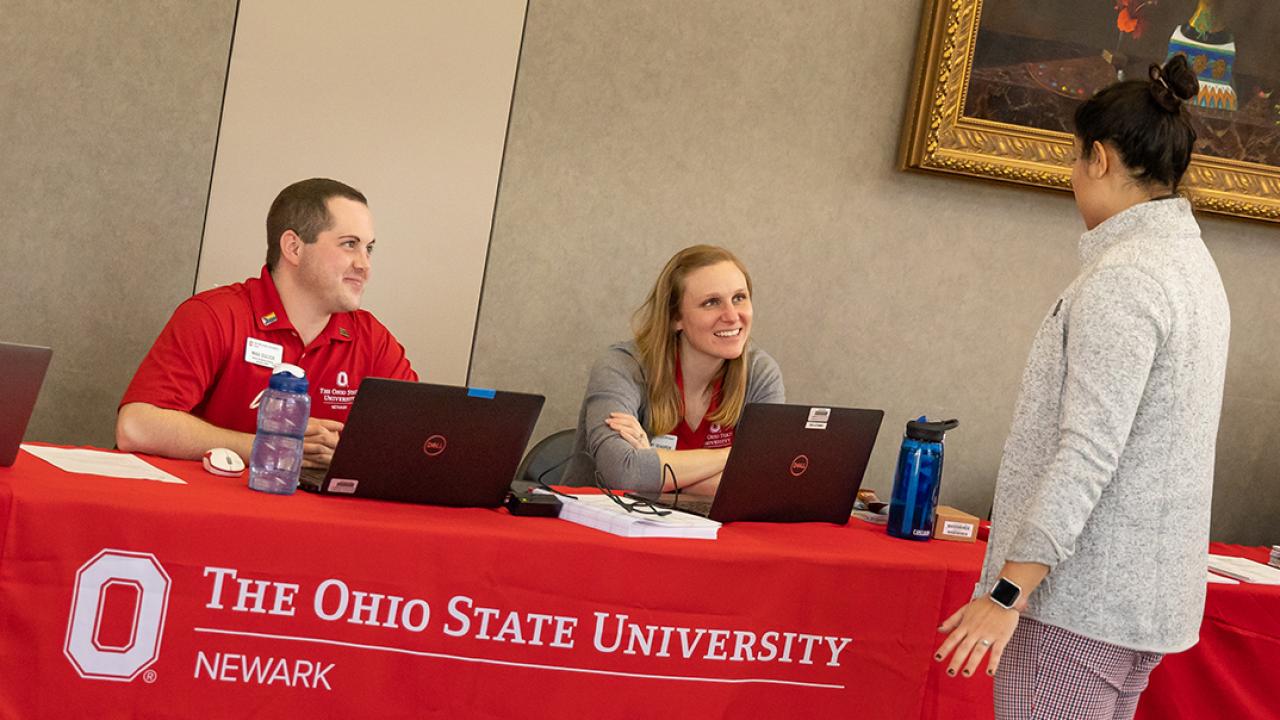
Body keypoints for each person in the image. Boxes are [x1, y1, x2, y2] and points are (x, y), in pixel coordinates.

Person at [934, 55, 1230, 720]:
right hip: (1141, 603)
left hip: (1076, 603)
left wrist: (1008, 594)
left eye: (1074, 158)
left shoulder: (1126, 280)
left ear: (1099, 158)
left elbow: (1086, 455)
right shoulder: (1193, 268)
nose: (1072, 176)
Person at [116, 178, 417, 469]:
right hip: (205, 511)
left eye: (369, 248)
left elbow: (418, 439)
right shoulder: (214, 315)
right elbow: (136, 426)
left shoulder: (372, 339)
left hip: (314, 516)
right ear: (294, 248)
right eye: (349, 244)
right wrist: (270, 448)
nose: (364, 265)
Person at [561, 245, 784, 496]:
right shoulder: (621, 366)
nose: (732, 316)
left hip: (710, 529)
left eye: (739, 298)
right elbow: (624, 473)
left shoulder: (759, 372)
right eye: (711, 302)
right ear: (675, 317)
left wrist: (653, 465)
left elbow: (769, 481)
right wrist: (737, 455)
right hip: (601, 526)